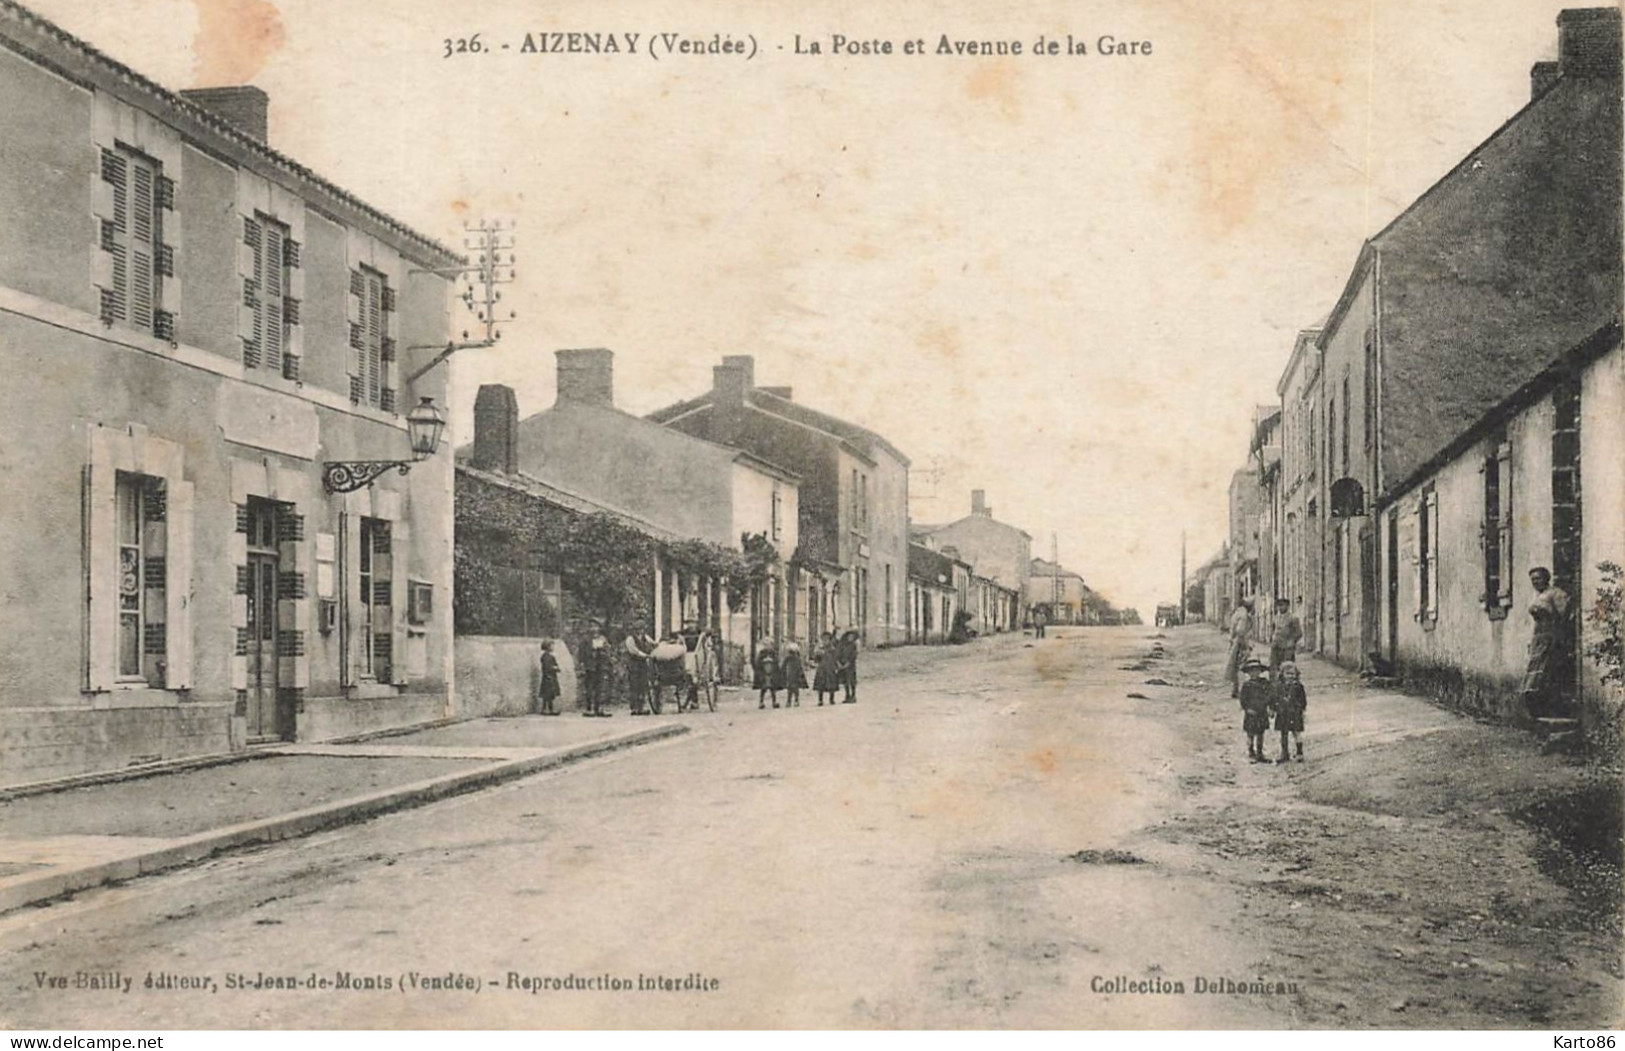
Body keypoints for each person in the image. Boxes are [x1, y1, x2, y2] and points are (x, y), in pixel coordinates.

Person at [1520, 567, 1573, 718]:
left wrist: (1558, 635)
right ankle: (1536, 709)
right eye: (1533, 580)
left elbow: (1564, 615)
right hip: (1538, 636)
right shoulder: (1537, 596)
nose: (1535, 582)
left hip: (1551, 636)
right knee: (1535, 671)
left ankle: (1552, 709)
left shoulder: (1556, 593)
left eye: (1538, 578)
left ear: (1546, 578)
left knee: (1548, 671)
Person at [1238, 657, 1272, 763]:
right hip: (1251, 712)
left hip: (1262, 711)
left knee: (1261, 733)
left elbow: (1270, 695)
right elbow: (1243, 699)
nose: (1254, 673)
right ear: (1248, 673)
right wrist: (1247, 708)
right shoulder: (1246, 685)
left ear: (1260, 671)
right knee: (1250, 733)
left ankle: (1260, 753)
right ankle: (1251, 750)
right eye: (1252, 671)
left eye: (1256, 670)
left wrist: (1269, 706)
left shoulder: (1265, 683)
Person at [1273, 660, 1307, 763]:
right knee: (1284, 733)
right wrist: (1274, 708)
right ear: (1282, 674)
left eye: (1292, 674)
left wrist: (1301, 709)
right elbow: (1275, 698)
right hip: (1283, 713)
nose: (1290, 676)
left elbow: (1303, 700)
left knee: (1296, 733)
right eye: (1287, 673)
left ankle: (1299, 752)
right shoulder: (1279, 686)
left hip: (1295, 713)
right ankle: (1284, 753)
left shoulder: (1298, 686)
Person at [581, 620, 613, 718]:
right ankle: (589, 707)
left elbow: (608, 651)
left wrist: (606, 654)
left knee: (600, 687)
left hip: (601, 665)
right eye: (592, 627)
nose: (594, 629)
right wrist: (583, 663)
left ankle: (599, 707)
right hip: (590, 666)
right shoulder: (586, 640)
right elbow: (582, 653)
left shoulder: (603, 639)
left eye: (596, 627)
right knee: (590, 687)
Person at [624, 621, 655, 715]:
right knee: (634, 686)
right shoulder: (630, 639)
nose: (640, 631)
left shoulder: (645, 637)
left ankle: (641, 707)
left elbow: (653, 643)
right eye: (637, 629)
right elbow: (634, 651)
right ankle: (634, 708)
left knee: (643, 685)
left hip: (643, 665)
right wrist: (644, 655)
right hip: (634, 664)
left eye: (641, 629)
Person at [1225, 600, 1254, 698]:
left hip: (1234, 641)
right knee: (1242, 666)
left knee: (1234, 666)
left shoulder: (1237, 613)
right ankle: (1241, 690)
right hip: (1240, 642)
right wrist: (1246, 645)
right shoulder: (1244, 615)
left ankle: (1235, 689)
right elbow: (1240, 630)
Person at [1269, 597, 1303, 676]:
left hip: (1287, 648)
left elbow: (1299, 633)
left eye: (1282, 605)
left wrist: (1292, 641)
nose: (1280, 607)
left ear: (1287, 606)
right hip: (1276, 647)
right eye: (1279, 605)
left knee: (1287, 668)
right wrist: (1272, 639)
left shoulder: (1293, 618)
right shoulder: (1276, 618)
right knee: (1273, 667)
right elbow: (1273, 630)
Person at [813, 631, 841, 706]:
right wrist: (817, 654)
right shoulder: (820, 649)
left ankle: (831, 699)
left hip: (830, 668)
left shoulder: (833, 649)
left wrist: (837, 667)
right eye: (823, 640)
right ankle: (820, 700)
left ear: (830, 640)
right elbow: (816, 660)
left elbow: (836, 658)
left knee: (831, 684)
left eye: (826, 639)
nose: (825, 641)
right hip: (822, 668)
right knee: (820, 685)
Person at [537, 638, 562, 716]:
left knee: (551, 695)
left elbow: (555, 664)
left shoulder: (551, 656)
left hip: (552, 676)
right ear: (547, 647)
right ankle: (544, 709)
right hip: (548, 677)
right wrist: (554, 668)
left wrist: (557, 668)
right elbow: (547, 667)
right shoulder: (545, 656)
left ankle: (551, 709)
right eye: (551, 646)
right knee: (546, 695)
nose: (553, 647)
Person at [754, 642, 781, 710]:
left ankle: (774, 702)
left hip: (771, 673)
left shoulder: (773, 654)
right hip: (764, 673)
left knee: (773, 689)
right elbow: (757, 663)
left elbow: (777, 663)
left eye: (770, 645)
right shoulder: (762, 653)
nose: (769, 646)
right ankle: (761, 702)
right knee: (763, 689)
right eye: (767, 645)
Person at [781, 640, 807, 707]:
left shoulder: (793, 659)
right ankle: (794, 701)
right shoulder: (794, 659)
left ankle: (791, 701)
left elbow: (783, 666)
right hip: (792, 675)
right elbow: (800, 666)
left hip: (792, 675)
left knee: (792, 689)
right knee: (794, 689)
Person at [838, 629, 861, 704]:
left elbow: (854, 655)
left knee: (852, 681)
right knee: (845, 681)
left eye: (852, 637)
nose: (850, 638)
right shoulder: (843, 645)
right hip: (843, 664)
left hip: (851, 666)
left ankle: (853, 696)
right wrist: (839, 663)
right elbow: (839, 654)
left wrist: (848, 663)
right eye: (849, 636)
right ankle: (847, 695)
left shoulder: (853, 645)